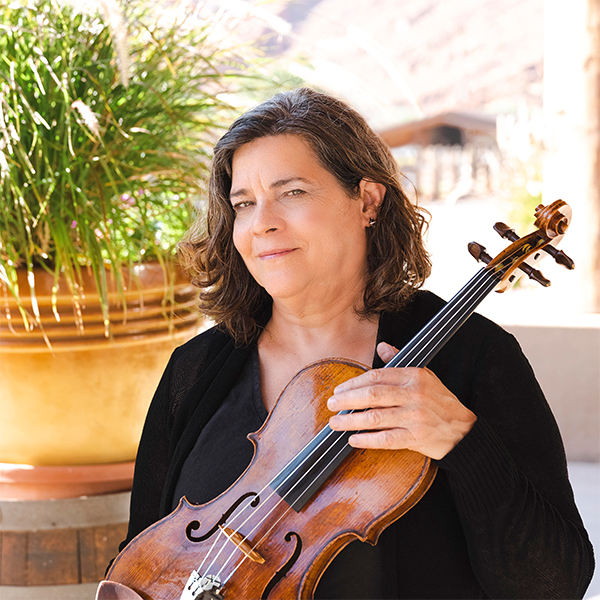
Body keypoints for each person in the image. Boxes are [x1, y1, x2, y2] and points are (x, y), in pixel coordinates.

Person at [117, 87, 594, 599]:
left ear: (367, 201)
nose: (263, 223)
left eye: (293, 192)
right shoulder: (197, 370)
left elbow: (555, 583)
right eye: (244, 204)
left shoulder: (472, 356)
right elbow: (139, 569)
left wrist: (461, 439)